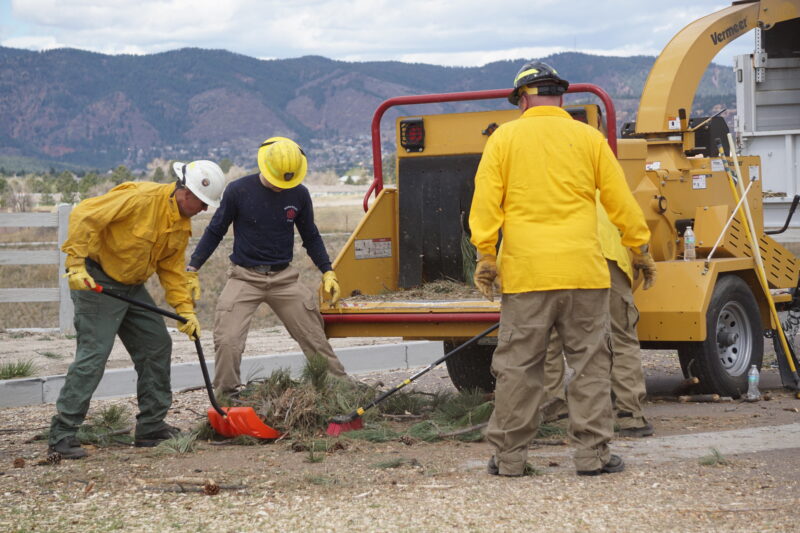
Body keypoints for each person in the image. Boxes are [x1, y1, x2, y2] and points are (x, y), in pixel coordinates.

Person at [469, 60, 657, 477]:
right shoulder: (589, 139)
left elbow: (485, 204)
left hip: (527, 275)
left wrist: (486, 255)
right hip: (584, 273)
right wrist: (638, 247)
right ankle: (593, 456)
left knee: (518, 368)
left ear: (522, 99)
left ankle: (510, 459)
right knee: (591, 365)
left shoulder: (503, 140)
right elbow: (620, 200)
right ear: (561, 98)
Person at [49, 160, 226, 459]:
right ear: (186, 193)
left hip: (131, 287)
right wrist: (75, 263)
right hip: (98, 281)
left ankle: (151, 428)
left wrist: (185, 310)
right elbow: (85, 214)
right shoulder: (140, 198)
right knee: (94, 355)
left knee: (157, 345)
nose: (205, 209)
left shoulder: (180, 223)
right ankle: (62, 434)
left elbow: (171, 269)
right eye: (203, 202)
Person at [187, 137, 348, 394]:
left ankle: (339, 388)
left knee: (314, 336)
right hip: (244, 277)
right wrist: (193, 268)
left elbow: (311, 236)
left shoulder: (299, 194)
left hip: (284, 279)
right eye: (277, 180)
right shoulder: (238, 191)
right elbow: (215, 231)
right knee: (228, 339)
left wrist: (327, 270)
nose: (281, 186)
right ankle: (227, 396)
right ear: (265, 167)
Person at [540, 200, 654, 438]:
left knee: (549, 336)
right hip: (604, 254)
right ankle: (631, 415)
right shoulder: (600, 185)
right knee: (621, 334)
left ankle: (554, 411)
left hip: (552, 256)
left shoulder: (534, 188)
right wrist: (641, 253)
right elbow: (630, 216)